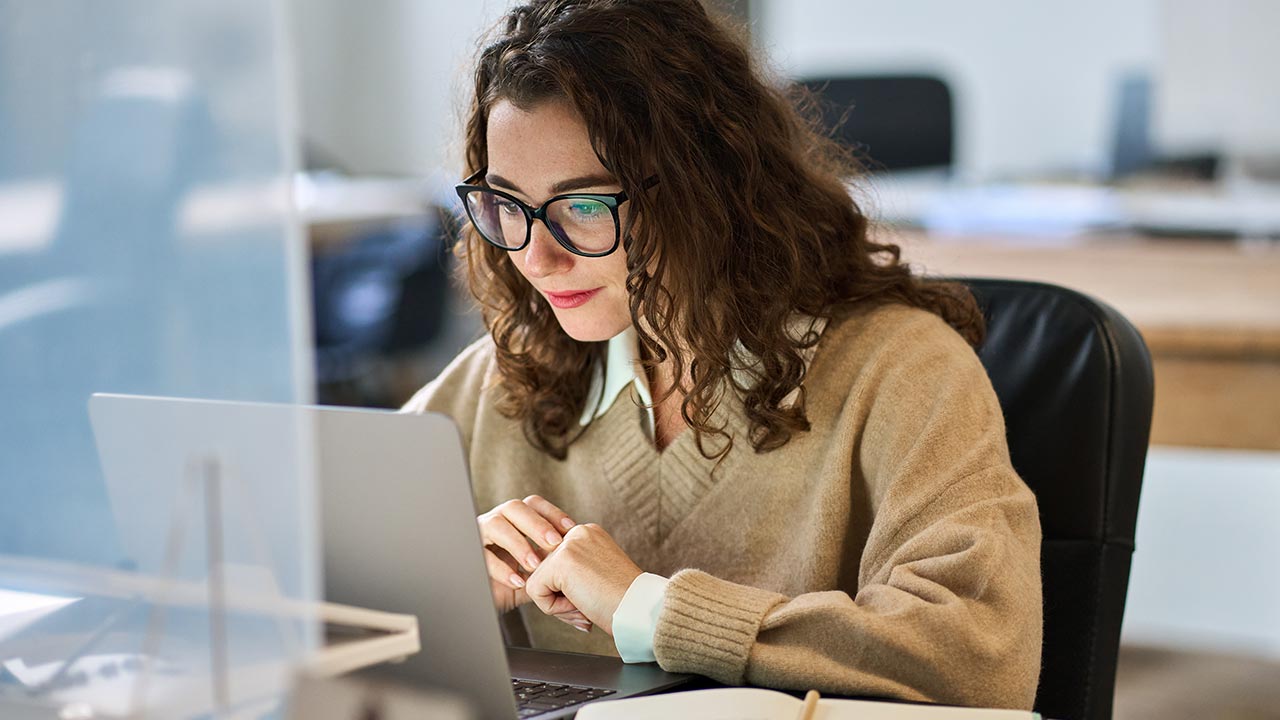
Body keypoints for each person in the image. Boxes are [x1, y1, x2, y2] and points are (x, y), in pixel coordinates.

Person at [403, 0, 1042, 709]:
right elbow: (305, 586)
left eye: (585, 207)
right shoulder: (499, 380)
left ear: (705, 188)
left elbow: (980, 660)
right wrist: (435, 583)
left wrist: (651, 611)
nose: (536, 255)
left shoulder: (902, 369)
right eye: (507, 205)